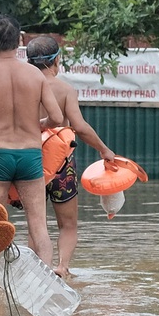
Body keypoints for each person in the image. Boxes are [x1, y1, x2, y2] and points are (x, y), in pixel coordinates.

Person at [0, 14, 63, 268]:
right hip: (30, 154)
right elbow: (56, 117)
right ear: (19, 41)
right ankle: (45, 280)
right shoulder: (35, 75)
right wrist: (39, 125)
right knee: (38, 224)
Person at [26, 36, 116, 278]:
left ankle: (34, 272)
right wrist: (104, 149)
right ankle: (62, 267)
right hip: (60, 164)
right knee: (68, 224)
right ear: (57, 60)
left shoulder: (22, 87)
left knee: (36, 226)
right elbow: (80, 127)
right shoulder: (64, 89)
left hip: (29, 163)